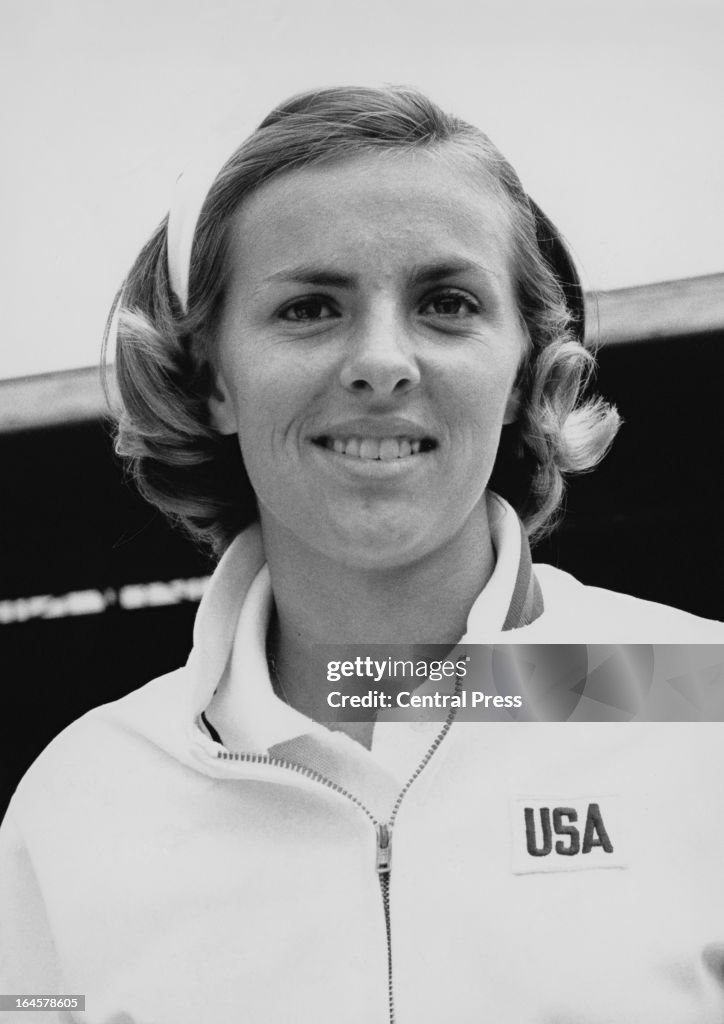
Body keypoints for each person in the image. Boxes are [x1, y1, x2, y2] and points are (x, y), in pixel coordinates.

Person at [1, 86, 723, 1023]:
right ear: (212, 378)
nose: (383, 362)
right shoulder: (81, 802)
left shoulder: (697, 702)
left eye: (448, 303)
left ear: (524, 370)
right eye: (308, 308)